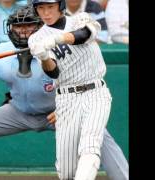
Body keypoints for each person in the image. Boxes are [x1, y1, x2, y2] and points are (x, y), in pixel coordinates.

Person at [0, 5, 128, 180]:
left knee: (100, 137)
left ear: (39, 26)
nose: (23, 31)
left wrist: (65, 107)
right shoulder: (1, 51)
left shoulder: (57, 49)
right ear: (10, 28)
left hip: (58, 111)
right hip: (18, 111)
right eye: (18, 26)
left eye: (29, 25)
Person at [28, 0, 128, 179]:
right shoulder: (36, 38)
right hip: (66, 99)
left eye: (50, 7)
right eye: (41, 8)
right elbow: (53, 72)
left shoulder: (80, 19)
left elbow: (84, 34)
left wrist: (56, 39)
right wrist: (43, 56)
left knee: (90, 146)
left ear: (60, 6)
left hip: (95, 92)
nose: (46, 12)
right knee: (67, 171)